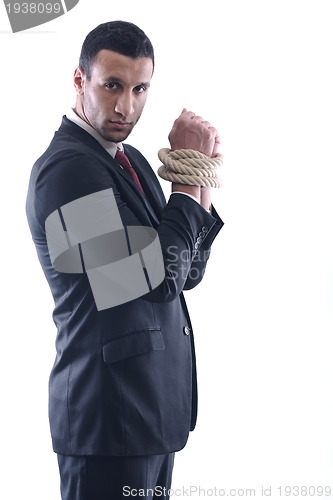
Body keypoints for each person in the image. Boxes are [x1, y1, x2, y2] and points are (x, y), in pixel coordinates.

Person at [26, 20, 223, 500]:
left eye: (139, 89)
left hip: (150, 415)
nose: (125, 105)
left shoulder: (129, 160)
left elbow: (187, 274)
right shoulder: (66, 170)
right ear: (80, 80)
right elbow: (152, 279)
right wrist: (184, 179)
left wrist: (196, 177)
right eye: (111, 85)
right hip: (107, 421)